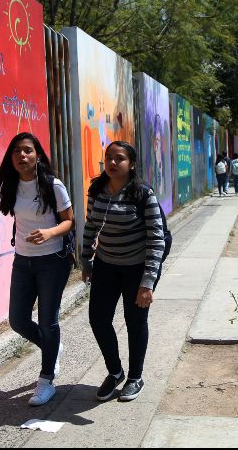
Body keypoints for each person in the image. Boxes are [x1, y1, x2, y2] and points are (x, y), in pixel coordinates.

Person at [0, 132, 74, 406]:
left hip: (52, 260)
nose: (22, 156)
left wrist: (50, 233)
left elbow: (69, 222)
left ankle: (46, 380)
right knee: (18, 320)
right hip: (23, 261)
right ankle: (53, 347)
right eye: (17, 151)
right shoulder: (12, 185)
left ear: (38, 155)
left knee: (49, 320)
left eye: (27, 150)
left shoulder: (52, 185)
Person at [81, 141, 165, 402]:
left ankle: (135, 377)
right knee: (98, 319)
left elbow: (156, 238)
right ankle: (115, 371)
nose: (112, 163)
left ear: (132, 164)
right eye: (108, 158)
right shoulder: (97, 189)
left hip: (137, 269)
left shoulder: (142, 193)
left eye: (119, 159)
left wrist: (148, 282)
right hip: (107, 265)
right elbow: (91, 226)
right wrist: (86, 260)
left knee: (135, 321)